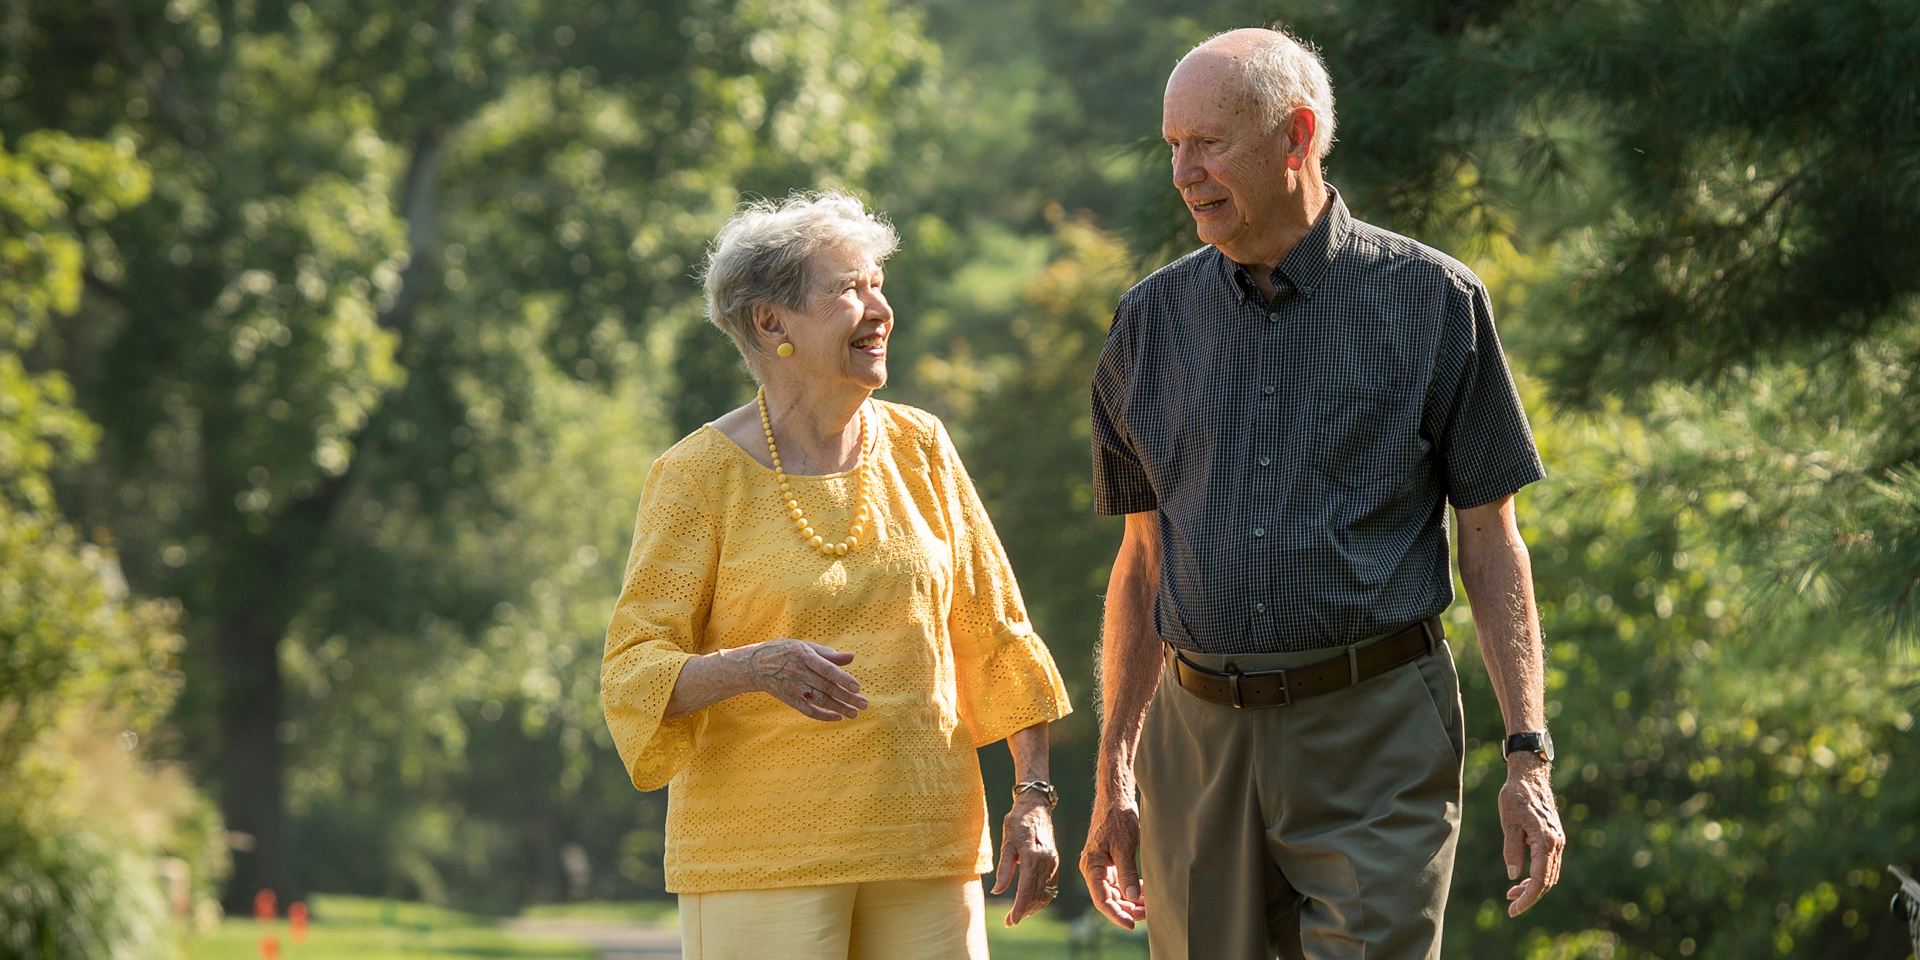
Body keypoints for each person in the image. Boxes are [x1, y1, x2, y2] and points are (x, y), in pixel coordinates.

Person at [1077, 27, 1565, 959]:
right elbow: (1142, 564)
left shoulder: (1434, 300)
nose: (1184, 172)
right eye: (1173, 145)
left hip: (1376, 730)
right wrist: (1117, 775)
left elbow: (1493, 539)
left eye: (1210, 142)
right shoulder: (1145, 324)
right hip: (1196, 737)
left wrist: (1527, 753)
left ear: (1296, 136)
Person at [601, 191, 1072, 960]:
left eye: (879, 283)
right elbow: (634, 672)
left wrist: (1034, 797)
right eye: (850, 288)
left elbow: (998, 635)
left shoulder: (923, 447)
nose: (879, 307)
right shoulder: (695, 476)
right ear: (771, 322)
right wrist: (754, 666)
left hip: (927, 846)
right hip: (760, 862)